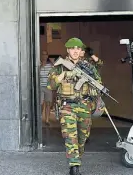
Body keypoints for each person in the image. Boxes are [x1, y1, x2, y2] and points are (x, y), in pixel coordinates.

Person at [47, 38, 101, 175]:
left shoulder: (88, 67)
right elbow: (50, 85)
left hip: (84, 105)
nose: (75, 51)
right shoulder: (59, 66)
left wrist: (94, 88)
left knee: (82, 137)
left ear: (81, 51)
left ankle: (76, 160)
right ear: (68, 50)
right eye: (72, 48)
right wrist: (65, 74)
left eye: (78, 48)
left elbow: (99, 82)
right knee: (70, 136)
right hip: (67, 106)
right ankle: (74, 167)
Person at [39, 50, 53, 125]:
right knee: (41, 103)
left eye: (45, 54)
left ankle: (47, 120)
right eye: (42, 54)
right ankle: (40, 118)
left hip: (48, 87)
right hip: (40, 87)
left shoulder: (50, 65)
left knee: (48, 103)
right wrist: (41, 66)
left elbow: (53, 76)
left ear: (47, 56)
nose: (44, 56)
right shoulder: (38, 64)